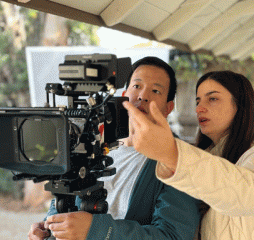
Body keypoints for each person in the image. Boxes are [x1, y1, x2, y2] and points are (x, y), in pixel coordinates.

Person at [28, 57, 201, 240]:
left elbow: (173, 236)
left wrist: (97, 230)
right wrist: (48, 226)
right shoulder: (93, 140)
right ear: (125, 94)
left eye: (155, 90)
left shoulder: (178, 159)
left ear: (168, 108)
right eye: (137, 86)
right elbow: (66, 195)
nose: (143, 96)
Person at [123, 70, 254, 240]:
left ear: (239, 105)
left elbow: (249, 196)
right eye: (198, 101)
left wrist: (173, 154)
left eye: (212, 99)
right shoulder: (202, 158)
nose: (199, 108)